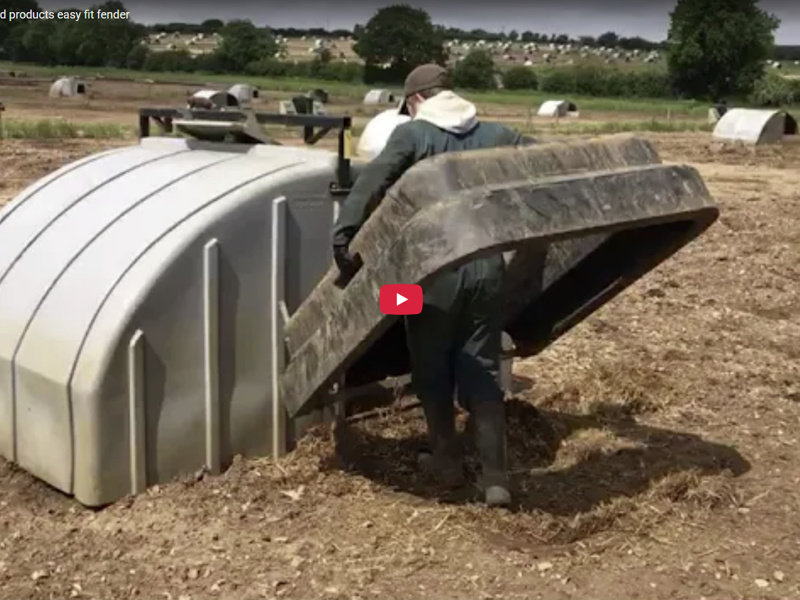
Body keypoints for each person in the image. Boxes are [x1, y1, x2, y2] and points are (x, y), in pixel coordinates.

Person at [331, 63, 529, 508]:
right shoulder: (498, 134)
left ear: (415, 99)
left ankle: (446, 460)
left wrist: (344, 234)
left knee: (425, 356)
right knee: (479, 364)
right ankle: (496, 477)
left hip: (429, 281)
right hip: (488, 270)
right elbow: (543, 161)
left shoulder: (413, 135)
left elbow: (371, 180)